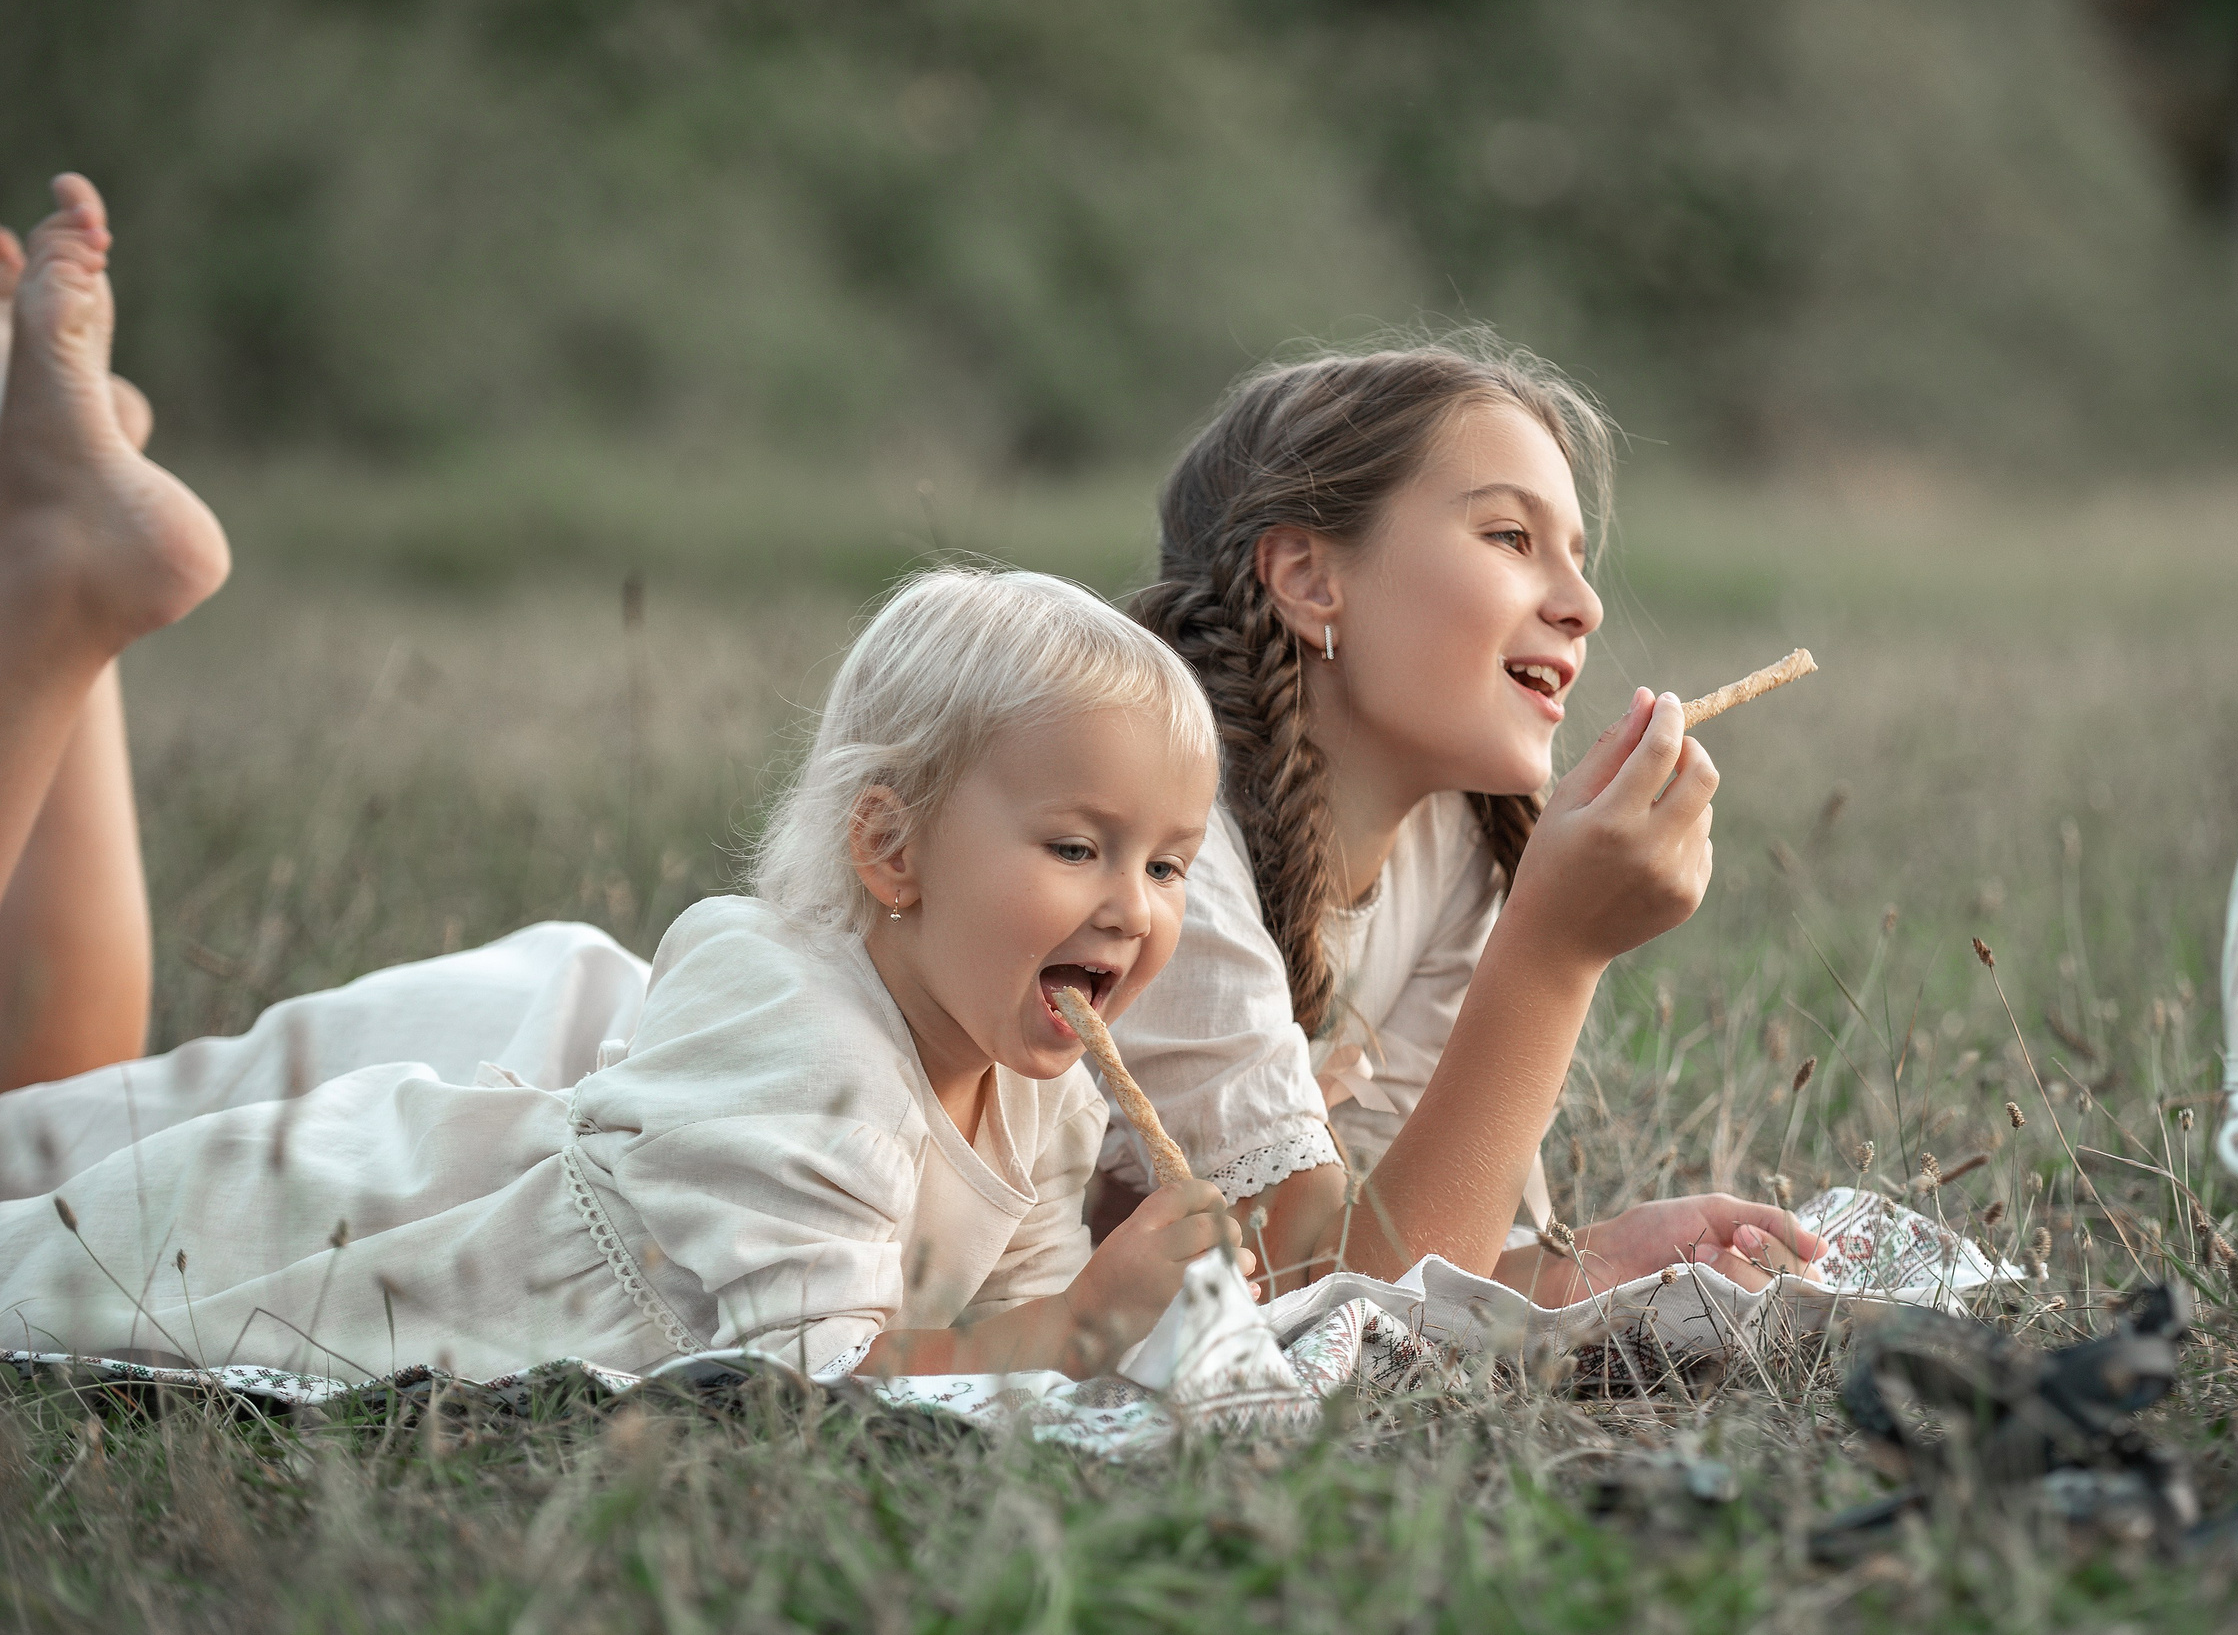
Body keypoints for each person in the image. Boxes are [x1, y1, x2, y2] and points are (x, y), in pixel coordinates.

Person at [0, 177, 1248, 1380]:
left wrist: (1134, 1313)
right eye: (1077, 848)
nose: (1132, 904)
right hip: (296, 1244)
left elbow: (1004, 1349)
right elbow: (816, 1385)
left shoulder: (1040, 1094)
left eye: (1167, 862)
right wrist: (1088, 1323)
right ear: (894, 851)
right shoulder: (801, 1033)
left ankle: (52, 509)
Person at [1103, 341, 1830, 1304]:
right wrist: (1554, 952)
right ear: (1311, 579)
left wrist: (1590, 1265)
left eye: (1577, 556)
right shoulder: (1157, 840)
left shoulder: (1451, 846)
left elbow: (1388, 1245)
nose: (1583, 605)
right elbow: (1323, 1308)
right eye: (1510, 537)